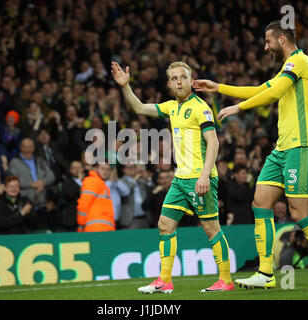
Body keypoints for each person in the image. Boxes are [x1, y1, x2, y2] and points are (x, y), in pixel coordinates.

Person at [193, 20, 308, 288]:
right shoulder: (286, 70)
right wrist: (219, 88)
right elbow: (261, 90)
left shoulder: (300, 61)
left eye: (268, 41)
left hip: (302, 147)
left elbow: (273, 93)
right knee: (261, 202)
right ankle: (266, 273)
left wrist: (239, 108)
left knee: (299, 212)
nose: (265, 47)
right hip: (282, 150)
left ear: (282, 39)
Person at [112, 60, 233, 293]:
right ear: (169, 84)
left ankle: (226, 280)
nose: (179, 81)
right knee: (165, 224)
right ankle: (164, 280)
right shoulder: (171, 107)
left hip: (200, 177)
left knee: (212, 229)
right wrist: (125, 86)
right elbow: (139, 108)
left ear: (191, 81)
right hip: (180, 180)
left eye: (183, 77)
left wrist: (205, 176)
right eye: (175, 78)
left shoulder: (201, 108)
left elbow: (213, 142)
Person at [77, 161, 116, 232]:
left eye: (108, 169)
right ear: (95, 169)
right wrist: (81, 225)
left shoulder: (102, 184)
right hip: (96, 229)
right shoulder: (92, 181)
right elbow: (84, 204)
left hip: (104, 228)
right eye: (102, 168)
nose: (105, 172)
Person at [118, 163, 150, 229]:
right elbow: (124, 193)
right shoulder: (120, 181)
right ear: (123, 170)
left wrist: (148, 179)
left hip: (146, 218)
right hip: (130, 219)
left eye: (133, 167)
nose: (130, 169)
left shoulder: (142, 180)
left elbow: (153, 190)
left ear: (136, 169)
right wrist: (134, 180)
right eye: (128, 167)